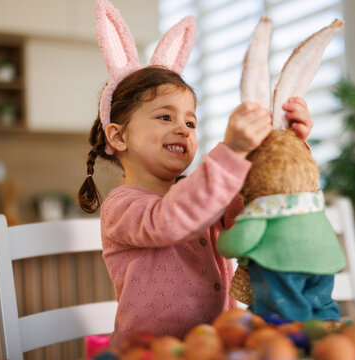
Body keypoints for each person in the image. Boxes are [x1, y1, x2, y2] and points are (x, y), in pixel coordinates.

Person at [78, 0, 314, 345]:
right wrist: (231, 152)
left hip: (213, 347)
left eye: (191, 121)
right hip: (147, 353)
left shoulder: (202, 195)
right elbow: (170, 219)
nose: (184, 129)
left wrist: (285, 145)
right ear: (119, 135)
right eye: (165, 117)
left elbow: (254, 214)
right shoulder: (122, 206)